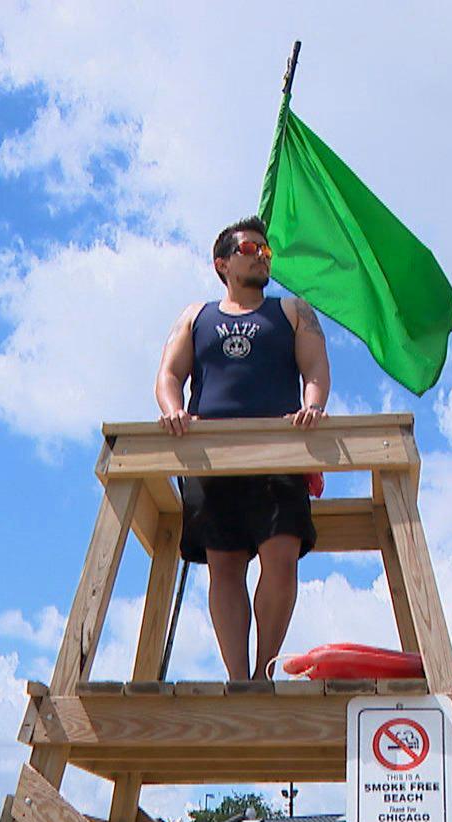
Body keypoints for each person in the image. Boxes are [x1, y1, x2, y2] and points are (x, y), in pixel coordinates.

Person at [156, 215, 331, 680]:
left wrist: (312, 407)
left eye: (265, 250)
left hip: (277, 450)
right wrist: (174, 409)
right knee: (224, 564)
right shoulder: (195, 316)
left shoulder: (292, 311)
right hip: (212, 458)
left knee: (280, 557)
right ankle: (238, 678)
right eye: (250, 249)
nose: (261, 255)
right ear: (223, 263)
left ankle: (263, 672)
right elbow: (170, 374)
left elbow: (314, 370)